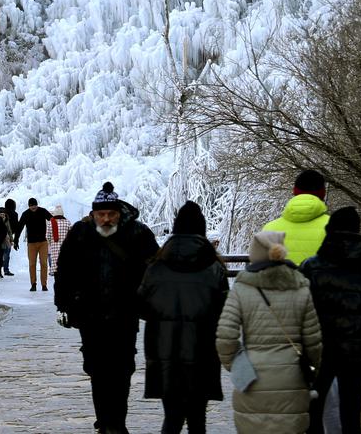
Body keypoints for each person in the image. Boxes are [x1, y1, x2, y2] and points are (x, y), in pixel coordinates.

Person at [54, 181, 160, 434]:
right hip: (89, 315)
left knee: (122, 369)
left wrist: (148, 302)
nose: (106, 219)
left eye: (111, 214)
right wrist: (64, 304)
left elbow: (155, 270)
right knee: (97, 369)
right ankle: (105, 421)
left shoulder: (137, 234)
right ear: (93, 214)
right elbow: (64, 270)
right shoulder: (80, 233)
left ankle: (117, 422)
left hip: (125, 314)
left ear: (119, 213)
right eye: (101, 214)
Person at [215, 231, 323, 434]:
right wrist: (310, 369)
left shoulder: (242, 289)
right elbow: (313, 340)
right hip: (292, 377)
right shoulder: (300, 287)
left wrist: (237, 365)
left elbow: (225, 336)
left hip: (251, 377)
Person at [139, 201, 230, 434]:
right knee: (198, 421)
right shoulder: (214, 268)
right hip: (203, 352)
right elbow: (224, 311)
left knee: (171, 419)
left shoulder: (157, 267)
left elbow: (142, 308)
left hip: (165, 352)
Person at [299, 208, 361, 434]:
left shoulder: (311, 268)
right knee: (351, 412)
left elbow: (299, 311)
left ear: (329, 231)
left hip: (319, 351)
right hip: (357, 353)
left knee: (313, 410)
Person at [262, 169, 331, 267]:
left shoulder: (269, 229)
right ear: (323, 193)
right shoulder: (335, 227)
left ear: (294, 191)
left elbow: (260, 270)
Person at [17, 196, 54, 292]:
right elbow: (20, 226)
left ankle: (44, 284)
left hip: (43, 242)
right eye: (31, 206)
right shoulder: (25, 214)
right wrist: (16, 240)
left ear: (37, 205)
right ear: (29, 206)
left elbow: (52, 219)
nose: (33, 207)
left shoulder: (42, 211)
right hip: (31, 243)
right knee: (32, 264)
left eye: (35, 205)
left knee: (44, 263)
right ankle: (33, 284)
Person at [1, 197, 20, 276]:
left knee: (0, 252)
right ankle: (6, 269)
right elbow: (16, 226)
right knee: (7, 253)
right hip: (9, 235)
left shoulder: (2, 212)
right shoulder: (14, 214)